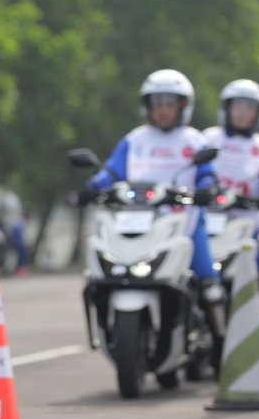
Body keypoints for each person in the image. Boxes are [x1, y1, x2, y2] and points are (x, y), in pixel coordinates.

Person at [83, 69, 228, 362]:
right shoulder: (134, 140)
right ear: (147, 106)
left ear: (183, 106)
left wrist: (207, 189)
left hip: (184, 224)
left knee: (210, 287)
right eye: (157, 103)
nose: (162, 110)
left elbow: (207, 175)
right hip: (135, 222)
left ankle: (223, 354)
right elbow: (110, 172)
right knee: (104, 275)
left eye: (169, 103)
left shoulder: (194, 140)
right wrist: (92, 188)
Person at [202, 79, 259, 375]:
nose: (242, 113)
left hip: (246, 227)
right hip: (209, 223)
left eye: (249, 108)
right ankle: (207, 348)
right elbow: (198, 171)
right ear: (227, 109)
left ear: (257, 113)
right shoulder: (209, 139)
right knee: (198, 283)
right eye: (237, 106)